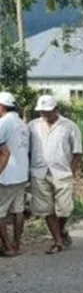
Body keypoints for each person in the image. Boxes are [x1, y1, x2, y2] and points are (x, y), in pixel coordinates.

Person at [29, 95, 82, 254]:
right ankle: (57, 241)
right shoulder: (32, 126)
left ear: (56, 109)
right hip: (39, 172)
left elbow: (77, 152)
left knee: (65, 209)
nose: (44, 115)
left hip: (62, 172)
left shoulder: (69, 126)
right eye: (41, 112)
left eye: (47, 111)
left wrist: (72, 172)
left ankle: (61, 231)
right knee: (46, 209)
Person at [0, 92, 21, 256]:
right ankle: (17, 244)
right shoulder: (22, 123)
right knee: (17, 211)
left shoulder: (3, 123)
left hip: (6, 176)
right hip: (21, 175)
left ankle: (8, 247)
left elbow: (4, 153)